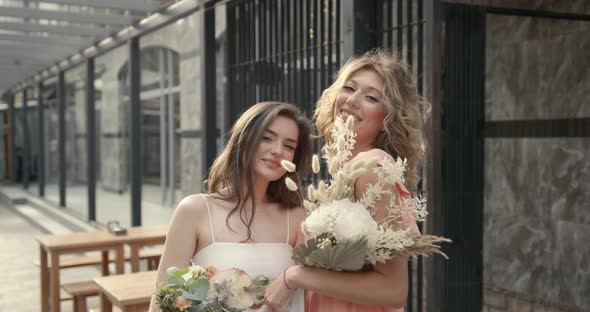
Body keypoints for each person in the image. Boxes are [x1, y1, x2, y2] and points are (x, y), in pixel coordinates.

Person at [264, 49, 429, 312]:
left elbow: (394, 290)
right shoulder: (348, 173)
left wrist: (294, 277)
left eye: (372, 97)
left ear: (388, 119)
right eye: (349, 87)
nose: (352, 100)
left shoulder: (373, 167)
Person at [148, 102, 313, 312]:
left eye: (289, 146)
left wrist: (291, 279)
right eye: (266, 138)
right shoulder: (195, 210)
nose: (278, 151)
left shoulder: (298, 216)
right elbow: (162, 303)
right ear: (244, 139)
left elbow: (319, 284)